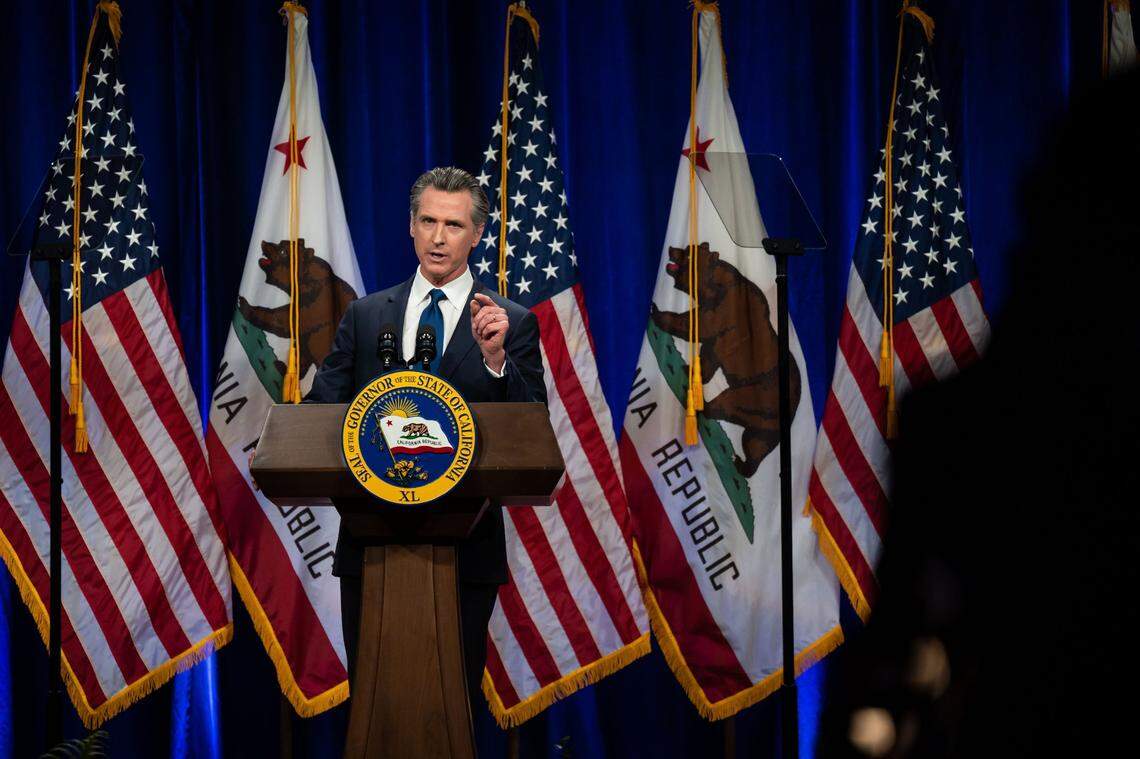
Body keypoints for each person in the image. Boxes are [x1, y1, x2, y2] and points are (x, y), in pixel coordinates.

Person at [305, 165, 546, 713]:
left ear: (477, 234)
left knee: (450, 704)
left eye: (454, 225)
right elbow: (324, 411)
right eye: (428, 221)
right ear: (410, 226)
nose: (439, 238)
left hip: (466, 543)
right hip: (372, 540)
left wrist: (496, 360)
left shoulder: (510, 322)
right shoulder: (366, 316)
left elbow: (533, 428)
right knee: (375, 705)